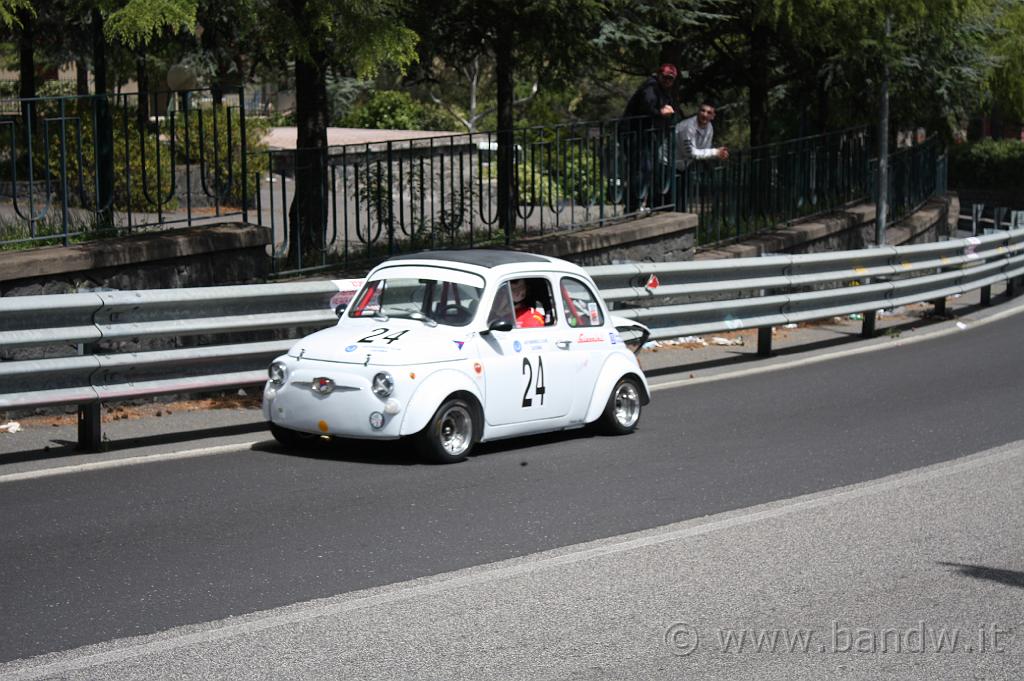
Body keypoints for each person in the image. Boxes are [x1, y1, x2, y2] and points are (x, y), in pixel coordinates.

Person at [621, 63, 678, 212]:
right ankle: (633, 207)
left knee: (647, 169)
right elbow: (646, 107)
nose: (667, 81)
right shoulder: (650, 87)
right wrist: (661, 113)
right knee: (641, 169)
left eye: (670, 79)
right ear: (659, 75)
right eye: (665, 77)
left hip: (645, 135)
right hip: (634, 134)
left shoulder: (663, 91)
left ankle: (642, 204)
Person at [674, 99, 729, 210]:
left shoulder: (709, 128)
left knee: (681, 201)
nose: (704, 114)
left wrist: (718, 154)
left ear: (713, 116)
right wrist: (715, 152)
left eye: (709, 113)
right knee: (668, 200)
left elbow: (704, 150)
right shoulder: (688, 127)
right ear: (698, 111)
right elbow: (692, 153)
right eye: (702, 111)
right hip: (669, 163)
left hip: (685, 165)